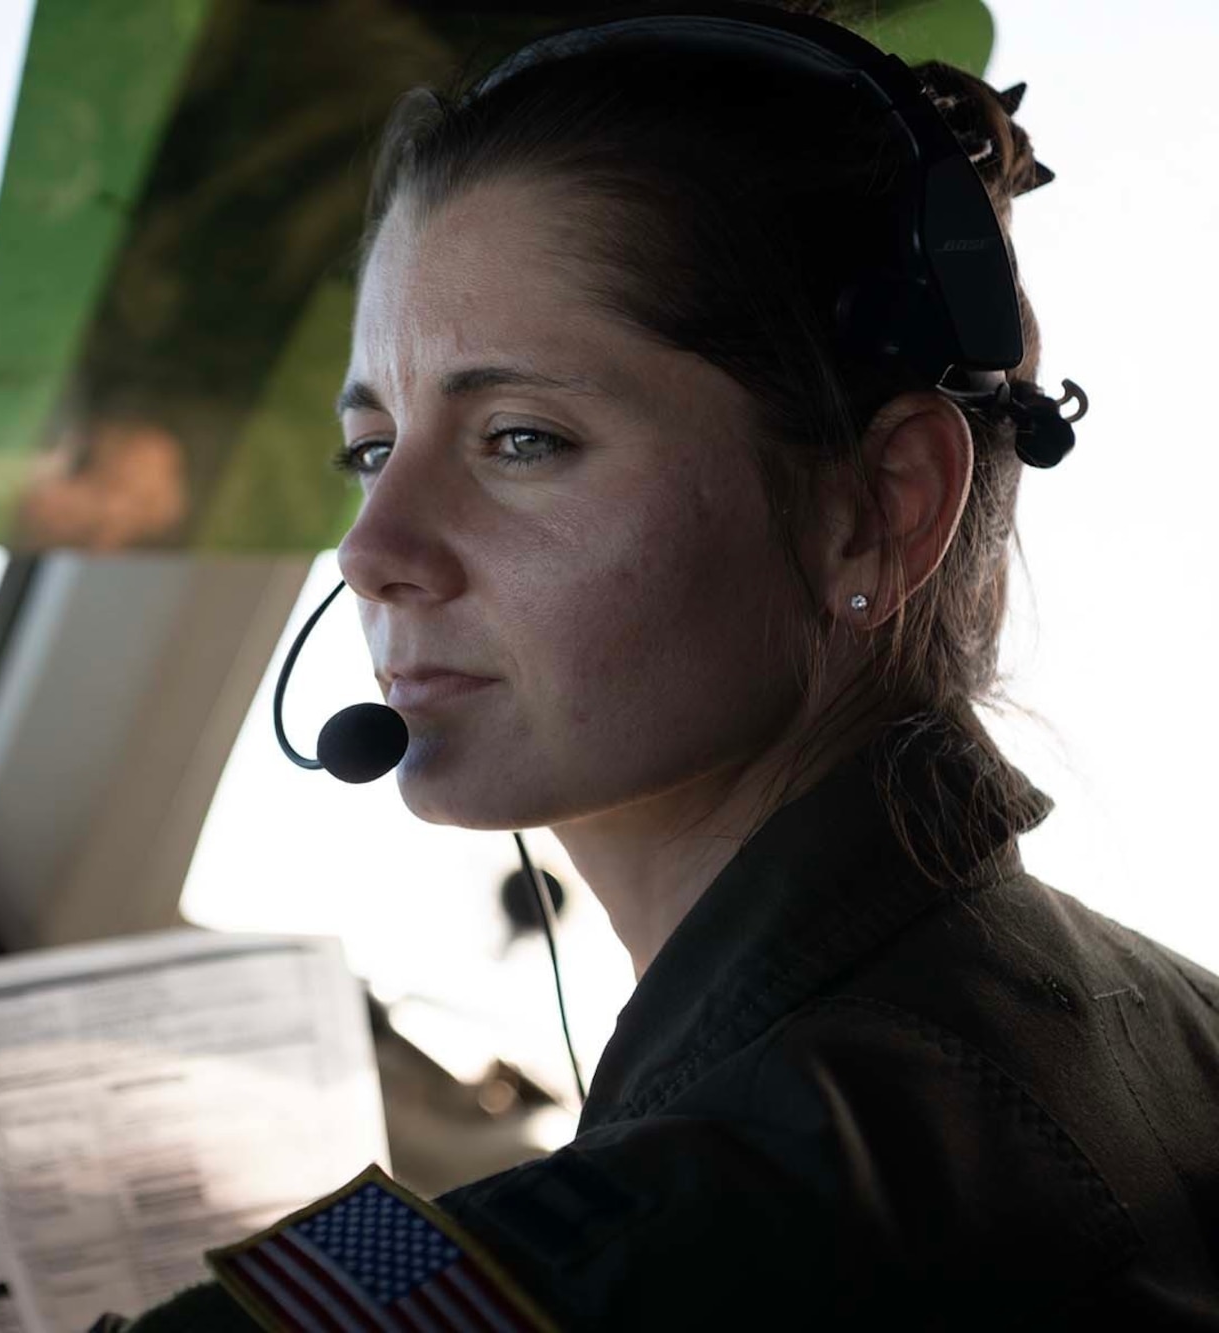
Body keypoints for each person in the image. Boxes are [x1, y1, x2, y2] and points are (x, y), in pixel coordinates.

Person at [100, 1, 1219, 1328]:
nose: (371, 547)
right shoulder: (1170, 1020)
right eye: (371, 446)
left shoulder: (709, 1227)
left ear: (877, 508)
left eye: (519, 437)